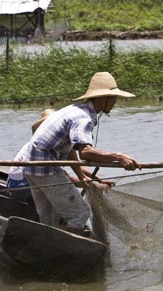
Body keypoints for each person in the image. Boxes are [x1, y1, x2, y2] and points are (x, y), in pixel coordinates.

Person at [14, 71, 140, 237]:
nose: (115, 102)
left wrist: (92, 178)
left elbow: (70, 156)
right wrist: (119, 156)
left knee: (48, 217)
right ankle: (63, 248)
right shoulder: (83, 117)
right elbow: (85, 153)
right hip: (46, 168)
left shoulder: (73, 110)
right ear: (103, 98)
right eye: (113, 98)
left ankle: (49, 247)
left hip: (31, 167)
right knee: (80, 213)